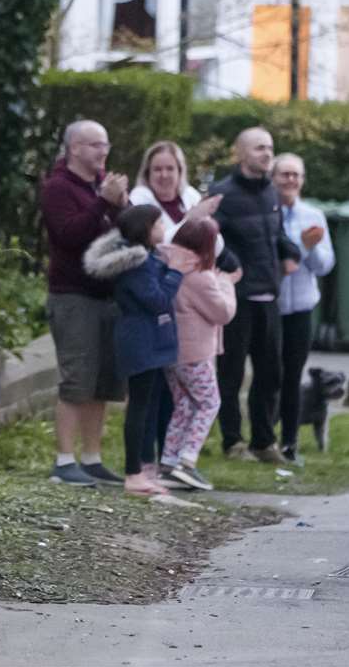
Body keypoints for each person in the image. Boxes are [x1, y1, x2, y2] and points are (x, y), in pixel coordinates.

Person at [39, 120, 129, 487]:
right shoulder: (57, 187)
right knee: (77, 379)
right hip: (73, 295)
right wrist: (103, 203)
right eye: (95, 145)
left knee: (104, 382)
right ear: (74, 148)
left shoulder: (101, 187)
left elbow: (127, 233)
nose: (103, 152)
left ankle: (91, 458)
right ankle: (63, 461)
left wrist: (121, 206)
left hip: (108, 294)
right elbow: (69, 235)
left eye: (105, 144)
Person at [212, 127, 301, 463]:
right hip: (238, 298)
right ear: (241, 154)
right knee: (231, 373)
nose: (267, 153)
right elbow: (211, 241)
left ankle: (264, 442)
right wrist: (232, 268)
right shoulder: (223, 194)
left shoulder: (270, 194)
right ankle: (233, 441)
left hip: (269, 295)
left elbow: (274, 235)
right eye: (259, 148)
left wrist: (291, 250)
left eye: (270, 148)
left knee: (270, 373)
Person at [83, 204, 183, 498]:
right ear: (145, 230)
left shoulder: (147, 259)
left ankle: (141, 469)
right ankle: (133, 473)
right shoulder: (136, 264)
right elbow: (158, 299)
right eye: (159, 225)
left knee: (147, 405)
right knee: (139, 408)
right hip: (141, 342)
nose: (164, 230)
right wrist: (175, 273)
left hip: (149, 340)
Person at [157, 217, 236, 491]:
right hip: (194, 353)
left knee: (184, 404)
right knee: (210, 402)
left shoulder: (169, 264)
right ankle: (186, 462)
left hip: (171, 351)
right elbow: (223, 313)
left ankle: (168, 462)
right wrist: (226, 282)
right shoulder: (200, 277)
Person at [272, 153, 335, 464]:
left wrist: (309, 250)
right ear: (273, 179)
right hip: (271, 305)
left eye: (296, 175)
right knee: (271, 373)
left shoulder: (314, 215)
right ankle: (264, 436)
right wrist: (300, 245)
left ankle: (290, 442)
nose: (291, 180)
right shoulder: (267, 213)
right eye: (284, 174)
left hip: (301, 307)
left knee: (293, 375)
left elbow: (325, 265)